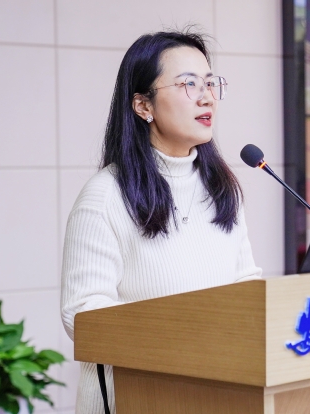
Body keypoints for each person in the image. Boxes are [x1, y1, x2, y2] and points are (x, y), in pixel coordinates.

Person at [60, 29, 262, 414]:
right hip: (135, 399)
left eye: (210, 83)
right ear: (143, 106)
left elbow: (244, 284)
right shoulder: (105, 197)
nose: (207, 96)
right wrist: (186, 334)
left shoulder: (221, 189)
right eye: (188, 84)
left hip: (214, 394)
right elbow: (83, 316)